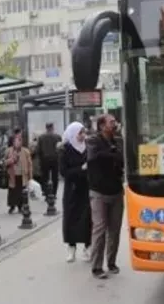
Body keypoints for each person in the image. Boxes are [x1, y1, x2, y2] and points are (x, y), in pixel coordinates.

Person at [86, 114, 124, 279]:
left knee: (114, 230)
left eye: (115, 122)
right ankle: (96, 267)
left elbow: (123, 159)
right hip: (99, 192)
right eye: (111, 122)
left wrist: (113, 153)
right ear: (102, 126)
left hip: (116, 191)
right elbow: (95, 157)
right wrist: (112, 153)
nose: (114, 124)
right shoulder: (94, 141)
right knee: (100, 229)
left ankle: (111, 262)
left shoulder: (118, 140)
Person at [60, 122, 92, 263]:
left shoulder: (88, 147)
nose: (83, 136)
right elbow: (63, 171)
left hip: (86, 188)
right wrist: (81, 169)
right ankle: (71, 248)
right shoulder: (65, 149)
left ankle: (88, 247)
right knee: (71, 218)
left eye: (84, 132)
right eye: (80, 133)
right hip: (72, 190)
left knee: (87, 218)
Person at [5, 134, 33, 213]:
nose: (17, 143)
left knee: (22, 191)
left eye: (19, 141)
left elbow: (30, 164)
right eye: (15, 141)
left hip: (23, 174)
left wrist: (30, 176)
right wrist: (11, 160)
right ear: (13, 142)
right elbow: (4, 162)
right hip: (12, 175)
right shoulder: (8, 151)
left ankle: (21, 206)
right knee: (12, 191)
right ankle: (12, 206)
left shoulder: (26, 151)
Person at [35, 122, 62, 198]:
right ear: (52, 127)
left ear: (46, 128)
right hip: (55, 160)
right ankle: (54, 193)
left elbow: (38, 150)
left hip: (44, 160)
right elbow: (60, 149)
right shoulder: (57, 137)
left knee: (45, 177)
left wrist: (40, 159)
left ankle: (47, 193)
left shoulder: (41, 137)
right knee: (55, 178)